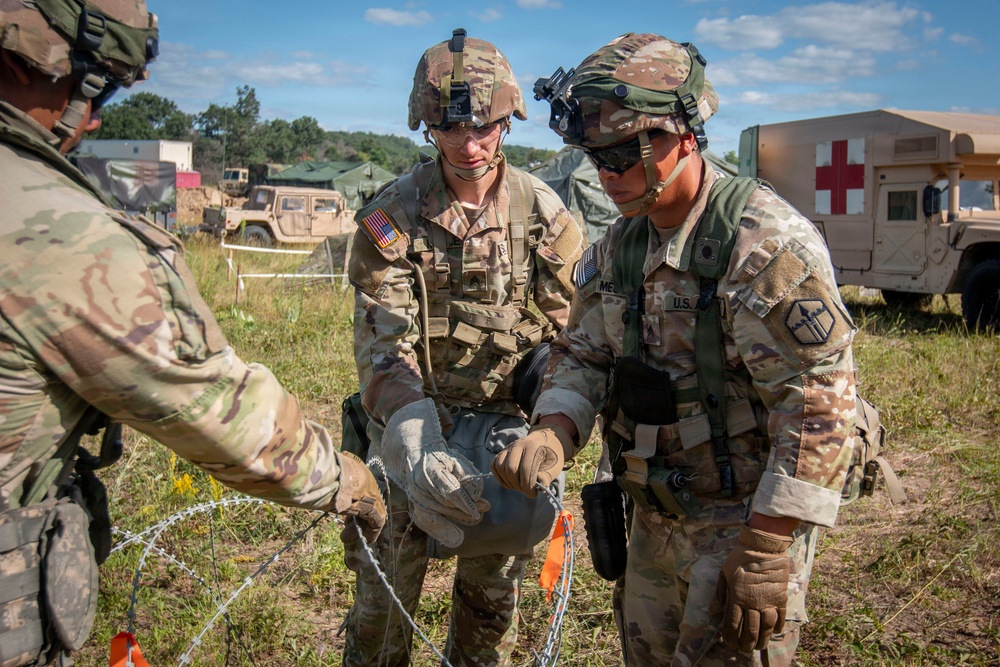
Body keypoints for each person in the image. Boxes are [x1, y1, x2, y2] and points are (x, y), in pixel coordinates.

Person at [0, 1, 385, 664]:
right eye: (95, 90)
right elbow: (224, 414)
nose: (93, 119)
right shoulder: (52, 227)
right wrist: (346, 476)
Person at [493, 33, 858, 666]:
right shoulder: (618, 249)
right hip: (654, 520)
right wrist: (554, 429)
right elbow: (584, 355)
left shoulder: (765, 248)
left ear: (684, 133)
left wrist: (769, 545)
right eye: (594, 157)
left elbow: (820, 406)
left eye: (622, 154)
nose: (607, 175)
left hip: (744, 523)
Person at [341, 28, 584, 667]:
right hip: (410, 431)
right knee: (382, 619)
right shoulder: (392, 213)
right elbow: (381, 339)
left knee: (487, 623)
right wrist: (413, 433)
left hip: (505, 441)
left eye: (486, 129)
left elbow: (577, 332)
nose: (471, 147)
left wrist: (557, 422)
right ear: (427, 127)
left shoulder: (542, 212)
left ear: (507, 121)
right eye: (452, 132)